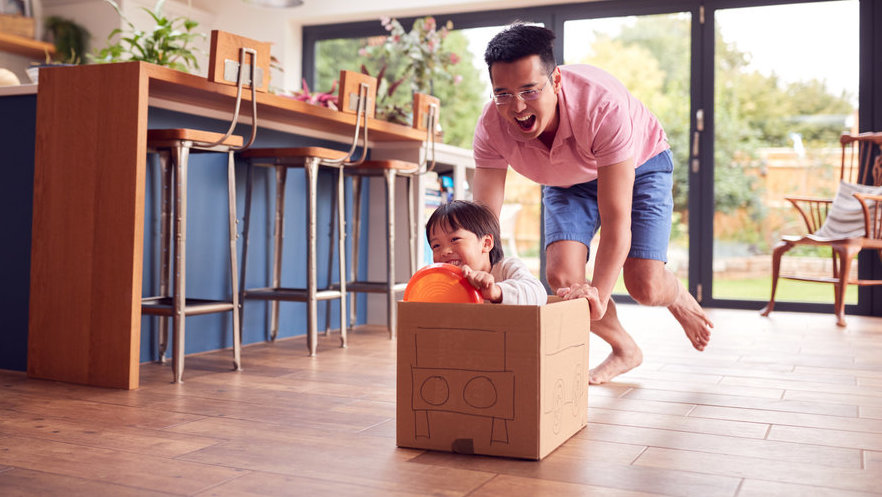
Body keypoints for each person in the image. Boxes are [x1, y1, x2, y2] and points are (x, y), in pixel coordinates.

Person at [472, 23, 713, 384]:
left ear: (555, 82)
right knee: (565, 280)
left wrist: (599, 292)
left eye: (529, 90)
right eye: (503, 94)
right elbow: (484, 224)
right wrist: (481, 278)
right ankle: (624, 348)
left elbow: (616, 221)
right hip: (567, 181)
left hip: (641, 163)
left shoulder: (601, 106)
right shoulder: (492, 127)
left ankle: (676, 294)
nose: (517, 107)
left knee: (643, 286)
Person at [426, 200, 547, 306]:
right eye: (436, 245)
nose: (444, 252)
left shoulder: (505, 269)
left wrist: (497, 291)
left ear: (486, 243)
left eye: (454, 239)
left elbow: (538, 293)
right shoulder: (441, 284)